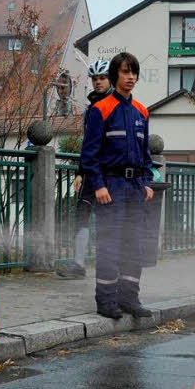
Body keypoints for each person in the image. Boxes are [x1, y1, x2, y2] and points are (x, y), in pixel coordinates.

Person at [79, 52, 155, 320]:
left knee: (134, 244)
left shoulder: (142, 111)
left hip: (135, 188)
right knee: (110, 244)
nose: (131, 77)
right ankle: (106, 301)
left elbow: (146, 155)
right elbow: (89, 155)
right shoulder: (101, 109)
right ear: (116, 76)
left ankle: (129, 299)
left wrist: (146, 182)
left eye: (133, 72)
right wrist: (98, 185)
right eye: (125, 72)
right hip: (110, 186)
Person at [57, 59, 113, 279]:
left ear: (110, 79)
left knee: (108, 218)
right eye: (95, 79)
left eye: (102, 78)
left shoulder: (115, 105)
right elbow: (89, 143)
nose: (98, 82)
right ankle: (79, 264)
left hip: (110, 171)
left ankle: (110, 264)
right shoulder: (91, 109)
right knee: (82, 214)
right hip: (92, 170)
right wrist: (81, 171)